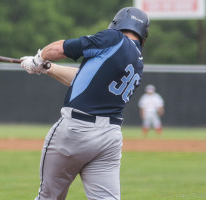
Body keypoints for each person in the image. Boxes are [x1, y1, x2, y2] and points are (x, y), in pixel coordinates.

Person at [20, 7, 150, 200]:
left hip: (76, 130)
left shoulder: (113, 39)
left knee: (48, 197)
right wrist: (46, 68)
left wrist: (39, 58)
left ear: (117, 24)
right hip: (109, 139)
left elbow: (59, 49)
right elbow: (82, 79)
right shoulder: (138, 62)